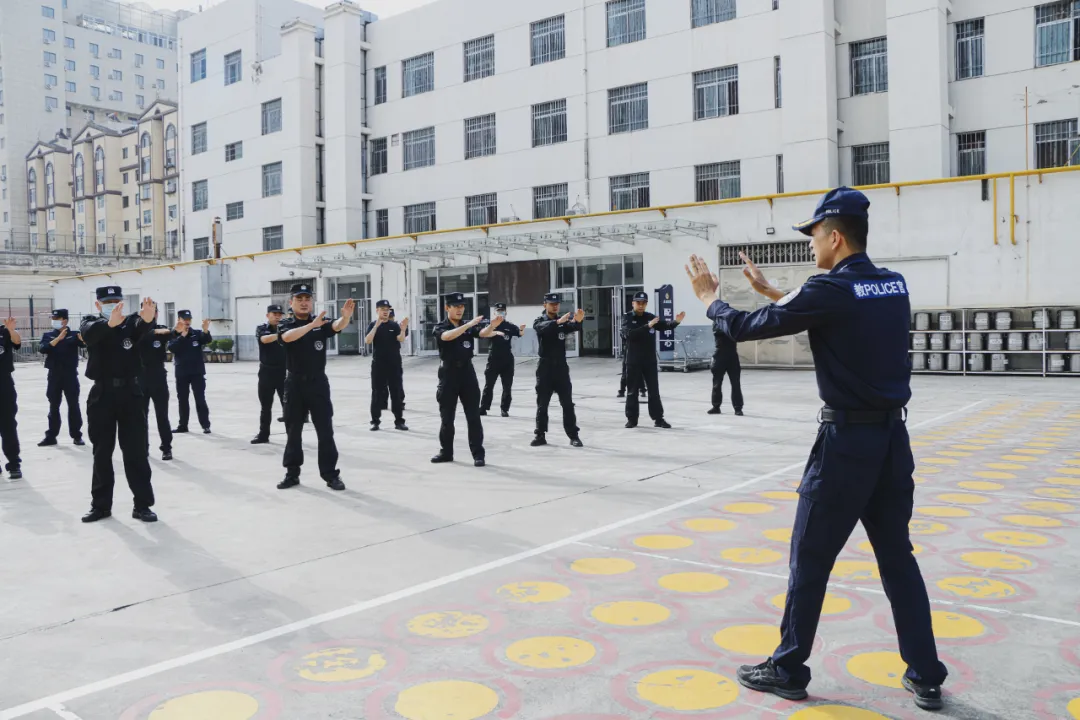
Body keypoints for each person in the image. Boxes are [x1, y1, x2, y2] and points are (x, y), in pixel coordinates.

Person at [685, 187, 946, 712]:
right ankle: (925, 673)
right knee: (898, 559)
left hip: (846, 447)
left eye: (813, 237)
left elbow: (740, 328)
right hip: (892, 442)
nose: (810, 247)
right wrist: (774, 291)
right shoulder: (891, 285)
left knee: (810, 559)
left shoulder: (829, 287)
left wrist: (711, 299)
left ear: (835, 236)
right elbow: (837, 315)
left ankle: (787, 668)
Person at [80, 287, 158, 523]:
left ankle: (142, 505)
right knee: (102, 452)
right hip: (102, 395)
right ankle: (101, 506)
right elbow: (90, 335)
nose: (112, 305)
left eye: (116, 301)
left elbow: (142, 327)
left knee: (136, 452)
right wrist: (109, 324)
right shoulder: (90, 322)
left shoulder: (130, 323)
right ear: (97, 305)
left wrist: (147, 319)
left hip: (130, 394)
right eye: (107, 301)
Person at [276, 283, 354, 491]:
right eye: (299, 299)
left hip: (318, 383)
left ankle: (330, 474)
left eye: (307, 299)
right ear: (291, 303)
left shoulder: (321, 323)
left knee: (325, 430)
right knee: (293, 431)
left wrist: (345, 317)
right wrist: (312, 326)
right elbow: (287, 337)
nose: (304, 303)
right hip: (294, 384)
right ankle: (292, 474)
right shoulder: (285, 323)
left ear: (311, 302)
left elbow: (336, 326)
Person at [431, 292, 498, 466]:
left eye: (462, 307)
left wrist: (492, 327)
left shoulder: (468, 327)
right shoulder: (440, 326)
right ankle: (446, 452)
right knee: (447, 417)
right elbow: (447, 336)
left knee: (473, 416)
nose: (460, 310)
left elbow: (482, 333)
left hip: (467, 373)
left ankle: (478, 454)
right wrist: (468, 324)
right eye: (456, 307)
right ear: (447, 308)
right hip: (448, 373)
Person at [621, 291, 684, 429]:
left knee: (654, 391)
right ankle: (632, 419)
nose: (641, 305)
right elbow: (630, 335)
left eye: (644, 303)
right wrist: (647, 326)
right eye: (638, 303)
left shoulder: (650, 317)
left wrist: (676, 322)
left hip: (649, 361)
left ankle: (658, 418)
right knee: (632, 391)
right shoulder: (627, 318)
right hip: (633, 360)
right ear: (633, 303)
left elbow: (664, 326)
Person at [531, 294, 585, 448]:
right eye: (552, 304)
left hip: (561, 367)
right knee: (542, 404)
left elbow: (573, 326)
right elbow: (541, 329)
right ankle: (540, 435)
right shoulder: (539, 321)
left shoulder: (563, 321)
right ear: (545, 305)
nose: (555, 306)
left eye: (557, 304)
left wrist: (579, 320)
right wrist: (557, 322)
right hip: (545, 368)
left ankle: (573, 435)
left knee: (567, 403)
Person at [38, 308, 86, 447]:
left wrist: (83, 338)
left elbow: (84, 344)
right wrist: (58, 339)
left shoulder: (74, 334)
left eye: (57, 319)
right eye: (53, 319)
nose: (54, 321)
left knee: (73, 405)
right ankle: (51, 436)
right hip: (54, 375)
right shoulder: (48, 335)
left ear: (65, 320)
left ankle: (77, 436)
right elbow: (43, 348)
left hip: (70, 375)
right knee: (54, 406)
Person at [136, 305, 174, 461]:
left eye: (154, 311)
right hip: (140, 378)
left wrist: (171, 331)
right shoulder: (136, 330)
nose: (153, 314)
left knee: (162, 416)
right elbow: (146, 335)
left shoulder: (162, 329)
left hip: (158, 377)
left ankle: (166, 448)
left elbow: (171, 335)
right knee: (141, 416)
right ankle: (143, 449)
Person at [365, 299, 408, 432]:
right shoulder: (373, 325)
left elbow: (400, 339)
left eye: (387, 309)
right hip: (378, 365)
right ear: (377, 310)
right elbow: (367, 341)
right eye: (383, 309)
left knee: (396, 393)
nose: (385, 312)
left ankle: (399, 421)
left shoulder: (393, 325)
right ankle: (375, 421)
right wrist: (376, 327)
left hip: (394, 364)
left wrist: (403, 330)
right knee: (377, 393)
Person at [168, 310, 212, 434]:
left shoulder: (197, 333)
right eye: (184, 319)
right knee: (182, 399)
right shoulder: (174, 334)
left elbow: (207, 339)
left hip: (197, 372)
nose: (187, 321)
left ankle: (205, 425)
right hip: (182, 372)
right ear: (179, 320)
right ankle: (183, 425)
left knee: (200, 399)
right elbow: (171, 348)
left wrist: (205, 330)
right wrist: (182, 336)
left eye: (189, 319)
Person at [480, 302, 526, 417]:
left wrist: (521, 330)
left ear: (506, 312)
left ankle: (504, 409)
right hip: (493, 358)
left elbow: (519, 334)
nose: (500, 312)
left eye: (502, 311)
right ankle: (484, 408)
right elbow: (484, 334)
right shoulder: (491, 325)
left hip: (507, 359)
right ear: (494, 312)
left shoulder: (509, 326)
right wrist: (494, 330)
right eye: (498, 310)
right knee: (489, 385)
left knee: (507, 386)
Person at [252, 304, 287, 444]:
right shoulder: (262, 328)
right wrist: (281, 335)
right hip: (266, 372)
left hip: (284, 373)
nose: (277, 316)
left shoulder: (286, 328)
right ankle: (263, 435)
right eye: (274, 314)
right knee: (266, 406)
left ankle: (293, 436)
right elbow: (264, 339)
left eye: (279, 314)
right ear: (268, 315)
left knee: (288, 406)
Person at [0, 315, 22, 479]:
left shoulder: (4, 332)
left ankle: (14, 463)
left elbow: (17, 343)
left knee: (8, 424)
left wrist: (11, 330)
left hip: (4, 383)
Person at [709, 330, 744, 416]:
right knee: (717, 383)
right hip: (720, 355)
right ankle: (716, 407)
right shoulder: (718, 323)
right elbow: (718, 331)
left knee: (735, 383)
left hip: (732, 356)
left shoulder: (733, 324)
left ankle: (738, 408)